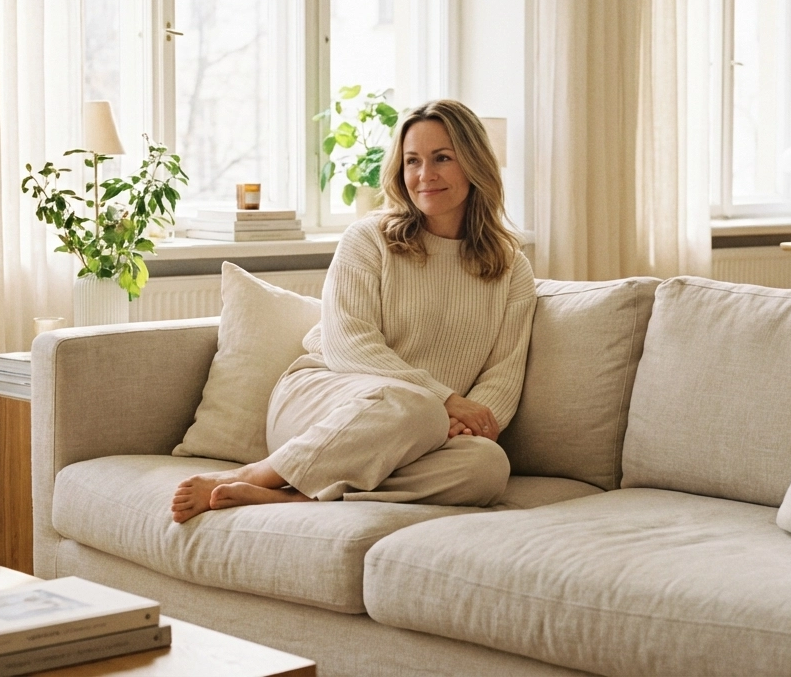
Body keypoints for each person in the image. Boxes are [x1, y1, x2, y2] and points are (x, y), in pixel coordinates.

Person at [171, 99, 536, 521]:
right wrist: (445, 402)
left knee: (487, 467)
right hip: (324, 402)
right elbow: (349, 346)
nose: (424, 175)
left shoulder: (511, 267)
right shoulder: (369, 238)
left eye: (442, 159)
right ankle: (260, 474)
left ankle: (298, 497)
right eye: (412, 161)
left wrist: (465, 424)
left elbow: (503, 375)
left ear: (474, 164)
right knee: (413, 407)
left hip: (422, 429)